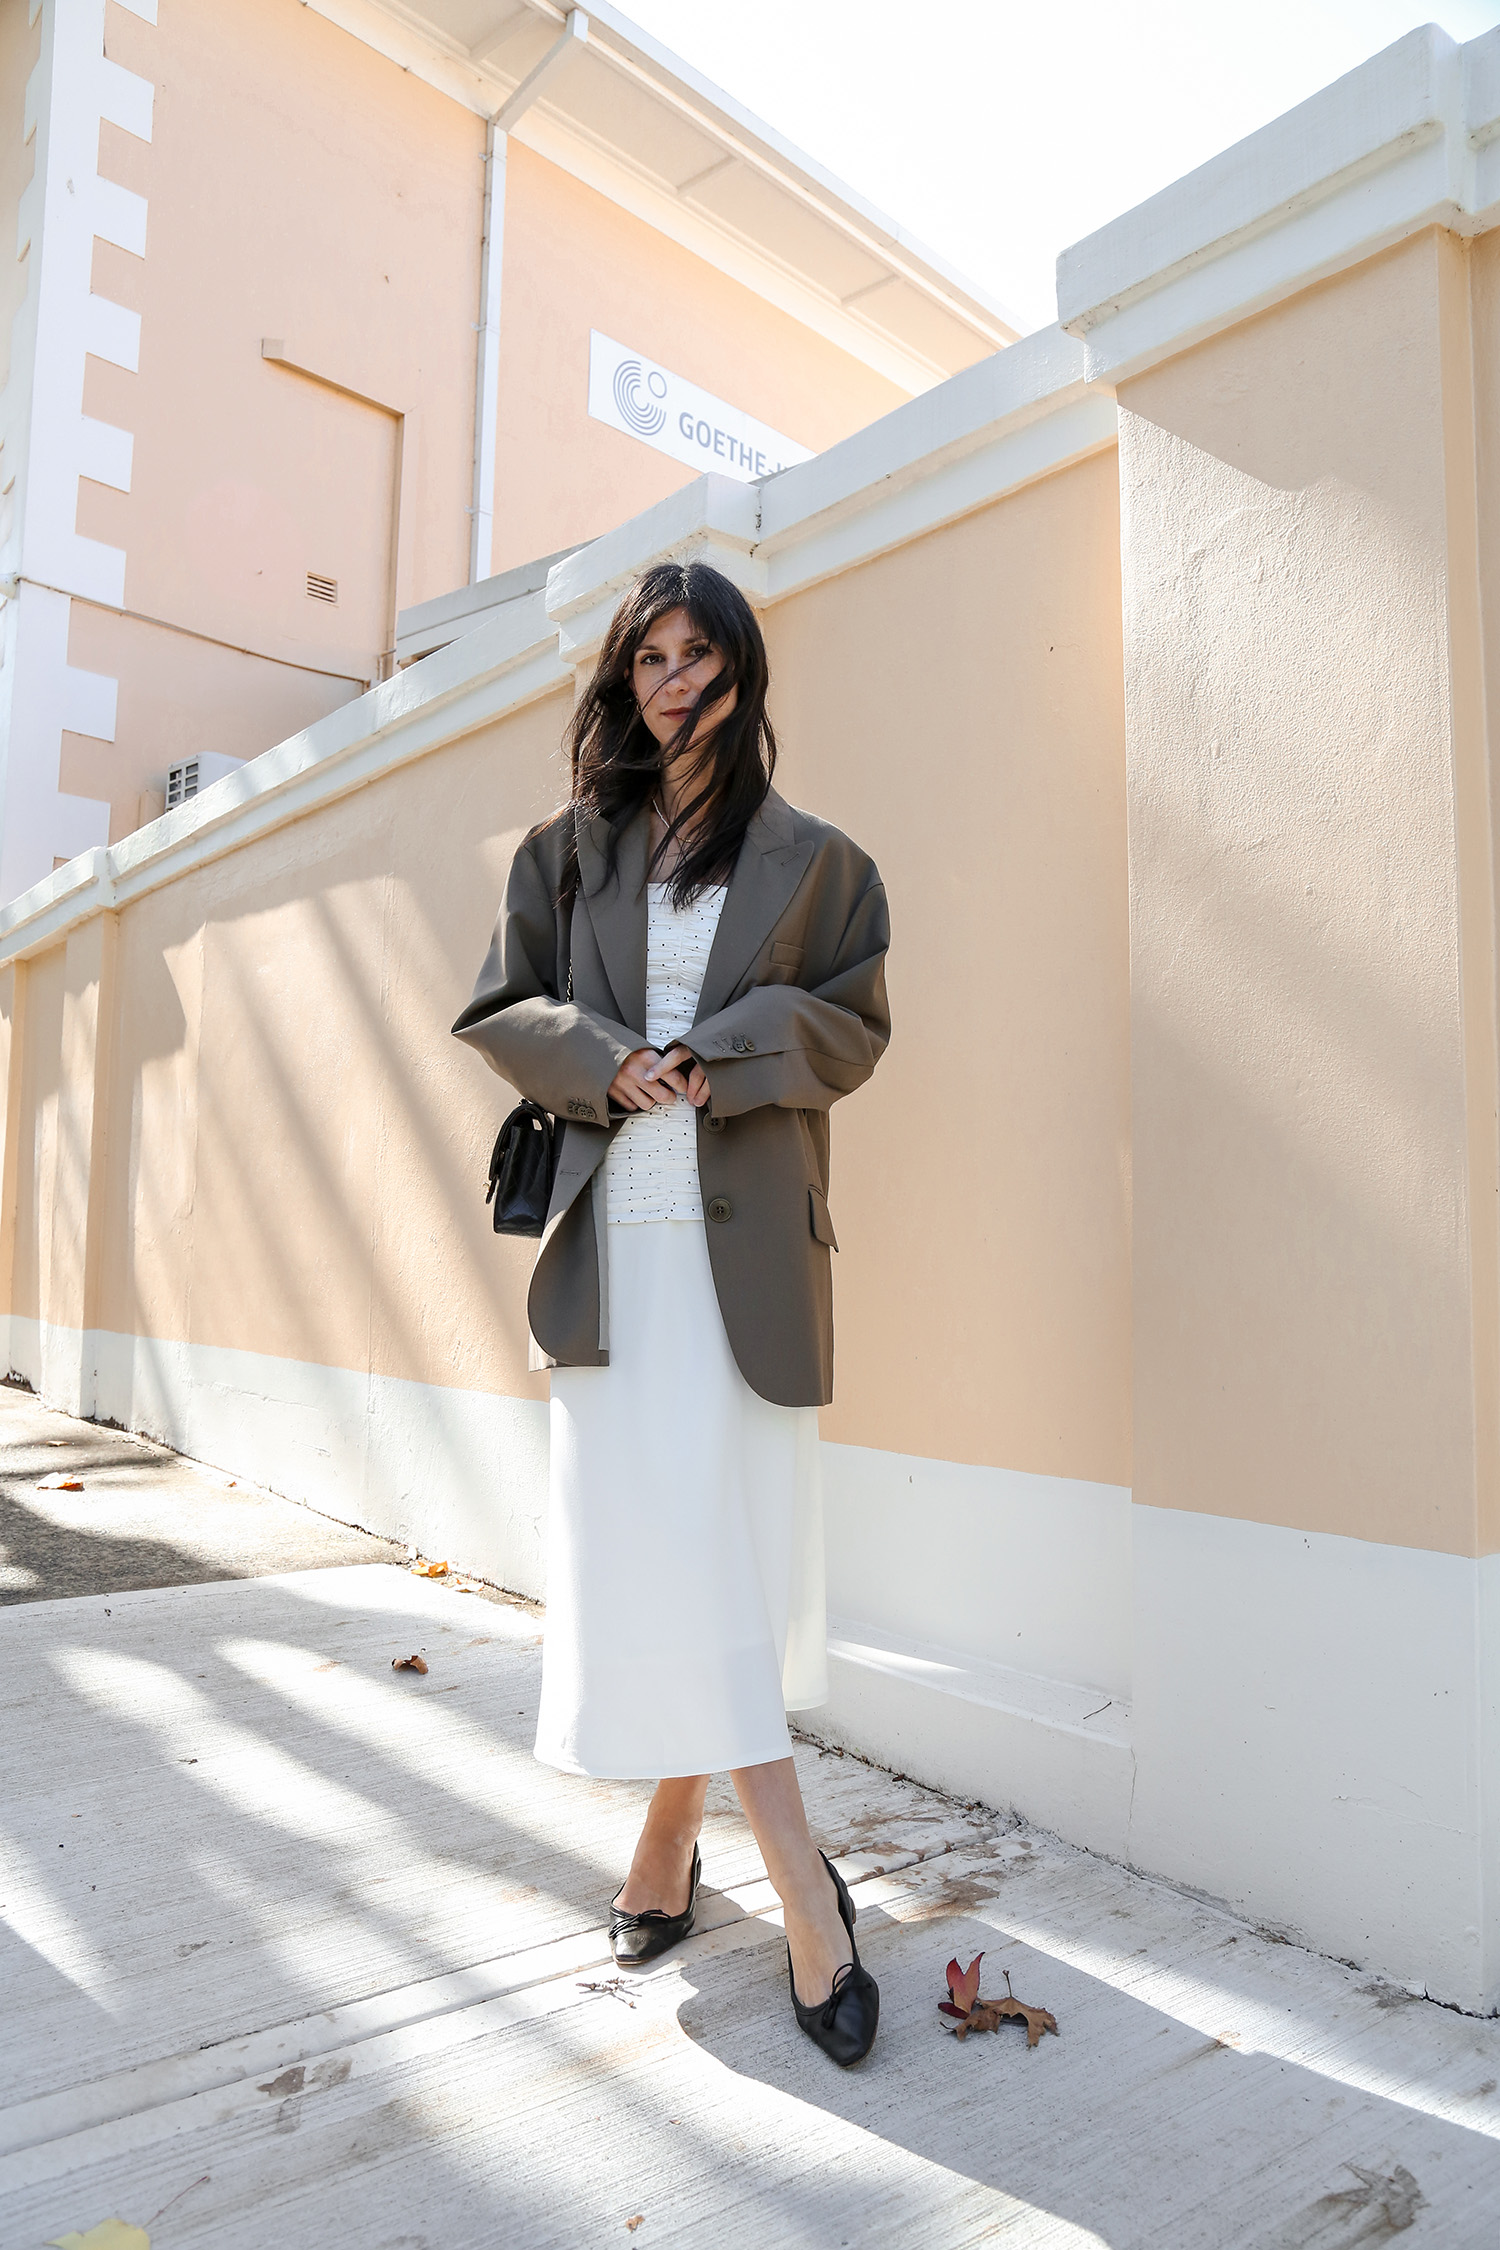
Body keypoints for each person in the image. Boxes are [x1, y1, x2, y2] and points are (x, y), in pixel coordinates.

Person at [453, 559, 890, 2066]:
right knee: (652, 1550)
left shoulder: (822, 864)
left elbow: (853, 1021)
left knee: (724, 1549)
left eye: (702, 650)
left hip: (747, 1257)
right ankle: (775, 1874)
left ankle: (720, 1861)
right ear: (626, 677)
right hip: (614, 1253)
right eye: (651, 652)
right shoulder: (562, 856)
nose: (675, 675)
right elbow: (502, 1008)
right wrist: (604, 1056)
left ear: (741, 671)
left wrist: (729, 1048)